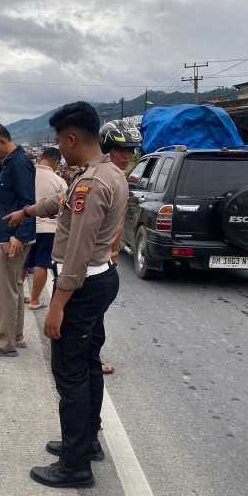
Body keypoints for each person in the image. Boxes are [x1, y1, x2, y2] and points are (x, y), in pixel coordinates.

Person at [5, 101, 127, 487]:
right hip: (99, 279)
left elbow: (76, 251)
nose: (58, 148)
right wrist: (27, 212)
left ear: (72, 139)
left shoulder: (92, 183)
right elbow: (61, 204)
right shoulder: (105, 172)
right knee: (88, 364)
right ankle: (86, 441)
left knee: (70, 374)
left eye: (59, 141)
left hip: (83, 283)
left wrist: (56, 306)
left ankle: (75, 466)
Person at [0, 124, 35, 357]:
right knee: (15, 286)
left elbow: (28, 203)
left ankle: (3, 342)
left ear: (2, 142)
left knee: (5, 290)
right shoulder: (9, 164)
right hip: (11, 236)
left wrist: (19, 236)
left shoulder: (19, 164)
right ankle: (16, 335)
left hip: (12, 237)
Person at [98, 119, 143, 373]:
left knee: (95, 316)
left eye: (131, 150)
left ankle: (91, 357)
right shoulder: (101, 180)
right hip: (94, 263)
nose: (127, 155)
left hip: (107, 261)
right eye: (121, 149)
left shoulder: (119, 179)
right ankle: (88, 359)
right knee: (90, 317)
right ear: (106, 148)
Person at [21, 147, 65, 310]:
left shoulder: (27, 176)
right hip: (48, 230)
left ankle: (17, 297)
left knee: (24, 264)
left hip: (26, 226)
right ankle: (34, 300)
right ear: (55, 162)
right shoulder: (58, 180)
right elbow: (65, 208)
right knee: (41, 263)